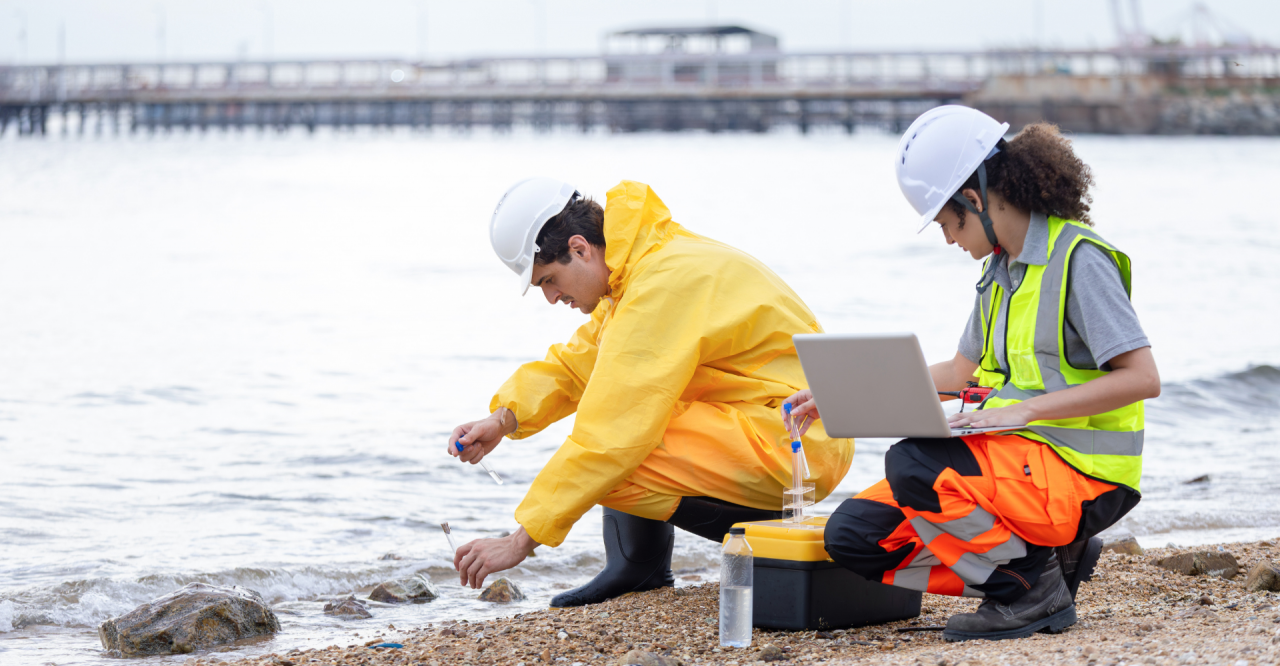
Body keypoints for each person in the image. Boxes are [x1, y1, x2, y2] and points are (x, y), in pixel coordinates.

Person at [784, 106, 1159, 642]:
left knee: (914, 461)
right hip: (1015, 463)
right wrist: (838, 394)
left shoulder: (1079, 259)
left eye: (947, 223)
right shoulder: (999, 271)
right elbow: (963, 373)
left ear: (975, 201)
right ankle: (1034, 566)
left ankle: (1028, 589)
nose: (947, 240)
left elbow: (1143, 378)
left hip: (1084, 477)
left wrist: (1022, 411)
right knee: (857, 537)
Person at [449, 178, 853, 607]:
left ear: (580, 248)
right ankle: (640, 566)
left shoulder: (659, 285)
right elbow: (577, 363)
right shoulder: (642, 267)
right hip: (786, 425)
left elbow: (613, 434)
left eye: (549, 279)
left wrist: (519, 542)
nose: (550, 297)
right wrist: (503, 419)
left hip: (797, 439)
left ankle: (747, 541)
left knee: (622, 434)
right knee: (621, 409)